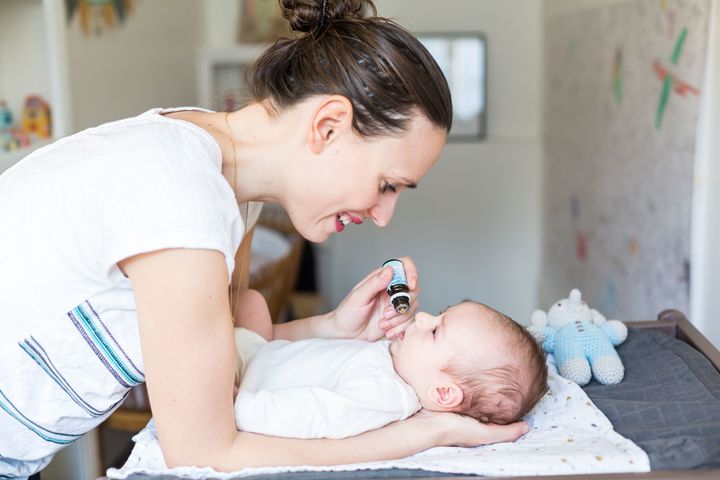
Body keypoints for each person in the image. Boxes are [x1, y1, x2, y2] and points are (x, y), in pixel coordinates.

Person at [0, 0, 529, 477]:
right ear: (328, 126)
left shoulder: (229, 188)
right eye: (387, 184)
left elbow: (224, 346)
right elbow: (204, 449)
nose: (384, 214)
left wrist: (334, 327)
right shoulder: (182, 197)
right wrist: (419, 435)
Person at [231, 289, 548, 439]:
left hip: (244, 384)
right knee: (251, 301)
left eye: (435, 330)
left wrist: (240, 408)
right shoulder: (396, 360)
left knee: (230, 312)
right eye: (439, 314)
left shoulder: (385, 395)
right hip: (260, 354)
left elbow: (315, 413)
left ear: (443, 393)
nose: (423, 318)